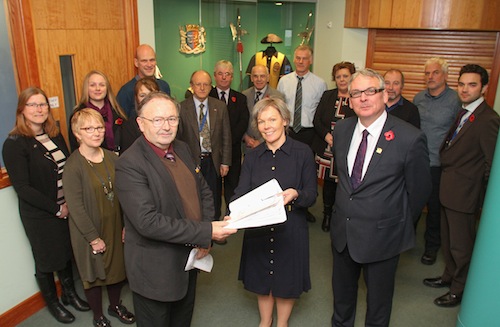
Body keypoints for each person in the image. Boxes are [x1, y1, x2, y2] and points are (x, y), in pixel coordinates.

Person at [114, 92, 236, 326]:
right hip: (155, 271)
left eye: (172, 119)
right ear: (140, 124)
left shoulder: (181, 148)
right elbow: (148, 222)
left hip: (188, 261)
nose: (166, 126)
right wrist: (206, 232)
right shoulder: (130, 164)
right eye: (157, 120)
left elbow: (204, 192)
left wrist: (204, 235)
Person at [330, 69, 431, 326]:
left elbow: (418, 191)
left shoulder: (409, 137)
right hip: (343, 233)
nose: (363, 98)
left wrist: (396, 224)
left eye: (370, 91)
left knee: (378, 307)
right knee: (341, 303)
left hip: (383, 238)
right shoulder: (341, 130)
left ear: (385, 95)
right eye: (356, 93)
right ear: (349, 101)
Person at [2, 87, 89, 324]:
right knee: (46, 259)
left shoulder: (54, 134)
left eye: (42, 105)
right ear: (22, 109)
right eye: (33, 105)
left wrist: (70, 202)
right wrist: (55, 208)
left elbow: (69, 167)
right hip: (41, 214)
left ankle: (70, 294)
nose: (39, 109)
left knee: (65, 253)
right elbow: (23, 188)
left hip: (66, 208)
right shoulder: (14, 144)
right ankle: (53, 302)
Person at [233, 97, 317, 327]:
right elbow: (241, 191)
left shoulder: (303, 153)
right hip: (258, 226)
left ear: (285, 121)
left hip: (291, 225)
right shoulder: (251, 156)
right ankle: (265, 321)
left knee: (286, 278)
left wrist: (296, 194)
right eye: (261, 121)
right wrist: (234, 212)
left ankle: (282, 324)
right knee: (262, 276)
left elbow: (312, 194)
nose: (267, 126)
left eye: (272, 119)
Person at [423, 64, 500, 307]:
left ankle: (459, 290)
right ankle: (449, 277)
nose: (465, 89)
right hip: (449, 189)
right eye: (462, 84)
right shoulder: (464, 111)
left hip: (465, 194)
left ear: (485, 88)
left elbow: (491, 164)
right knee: (449, 242)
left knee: (461, 246)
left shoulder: (488, 119)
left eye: (472, 84)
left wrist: (482, 200)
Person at [63, 109, 135, 327]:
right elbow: (75, 208)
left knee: (116, 269)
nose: (96, 132)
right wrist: (93, 238)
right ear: (77, 133)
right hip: (88, 230)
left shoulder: (113, 158)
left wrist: (126, 225)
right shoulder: (73, 166)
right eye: (88, 128)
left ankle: (114, 306)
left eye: (100, 127)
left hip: (114, 224)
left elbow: (124, 194)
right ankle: (98, 316)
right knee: (93, 273)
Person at [413, 58, 461, 265]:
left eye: (435, 73)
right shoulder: (418, 99)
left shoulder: (455, 100)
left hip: (438, 165)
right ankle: (406, 240)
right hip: (416, 162)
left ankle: (431, 247)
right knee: (411, 204)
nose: (430, 77)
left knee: (434, 210)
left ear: (445, 75)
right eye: (427, 73)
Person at [277, 44, 327, 223]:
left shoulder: (320, 83)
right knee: (287, 169)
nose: (300, 61)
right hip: (288, 131)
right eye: (298, 58)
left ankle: (303, 207)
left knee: (306, 171)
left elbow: (321, 112)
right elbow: (279, 107)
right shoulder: (284, 81)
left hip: (309, 133)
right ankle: (283, 205)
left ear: (310, 60)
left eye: (304, 58)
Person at [177, 70, 232, 223]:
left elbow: (226, 136)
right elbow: (178, 139)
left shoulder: (219, 107)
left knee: (213, 197)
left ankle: (214, 228)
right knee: (192, 197)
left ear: (211, 86)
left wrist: (225, 162)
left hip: (212, 161)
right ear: (191, 86)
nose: (202, 88)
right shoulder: (182, 108)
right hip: (191, 160)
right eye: (198, 84)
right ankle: (196, 229)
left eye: (206, 84)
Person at [312, 61, 356, 232]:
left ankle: (342, 215)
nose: (342, 80)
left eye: (345, 76)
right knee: (328, 184)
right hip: (327, 147)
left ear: (352, 77)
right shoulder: (327, 95)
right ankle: (327, 214)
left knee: (345, 184)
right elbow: (317, 120)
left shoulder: (357, 96)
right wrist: (327, 136)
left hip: (348, 149)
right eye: (338, 77)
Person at [209, 60, 249, 213]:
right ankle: (215, 215)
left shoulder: (240, 99)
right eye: (220, 74)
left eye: (227, 74)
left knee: (233, 186)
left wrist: (228, 142)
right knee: (214, 187)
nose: (224, 77)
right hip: (212, 152)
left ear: (232, 77)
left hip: (233, 150)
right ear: (215, 76)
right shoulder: (207, 96)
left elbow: (243, 122)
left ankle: (232, 215)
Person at [69, 70, 127, 153]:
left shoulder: (117, 111)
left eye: (102, 85)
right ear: (86, 88)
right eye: (93, 85)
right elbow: (74, 145)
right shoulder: (78, 114)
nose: (98, 89)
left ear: (107, 88)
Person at [117, 44, 171, 118]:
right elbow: (121, 121)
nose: (149, 64)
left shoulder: (164, 86)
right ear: (136, 62)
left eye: (152, 60)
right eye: (144, 61)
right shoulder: (126, 90)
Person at [242, 64, 284, 150]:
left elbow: (279, 124)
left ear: (268, 78)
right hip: (248, 146)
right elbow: (240, 120)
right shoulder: (244, 95)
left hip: (269, 145)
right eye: (255, 76)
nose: (259, 79)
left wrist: (261, 141)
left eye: (262, 76)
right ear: (251, 78)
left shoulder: (277, 96)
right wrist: (246, 137)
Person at [119, 77, 160, 153]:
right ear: (136, 98)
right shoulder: (129, 126)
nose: (147, 98)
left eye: (151, 94)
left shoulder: (167, 121)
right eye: (142, 95)